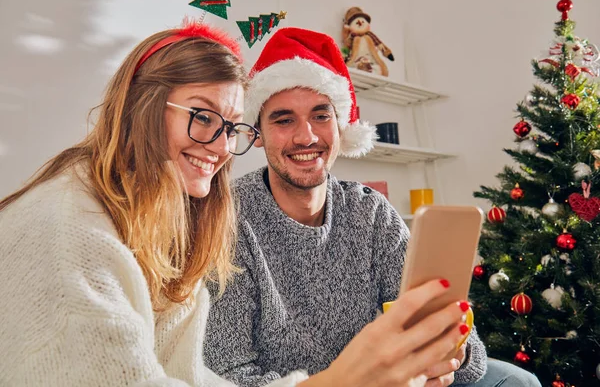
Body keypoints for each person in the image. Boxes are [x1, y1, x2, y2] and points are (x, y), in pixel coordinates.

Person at [0, 19, 472, 387]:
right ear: (138, 107)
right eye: (203, 116)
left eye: (229, 127)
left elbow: (193, 377)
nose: (222, 147)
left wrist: (448, 351)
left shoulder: (169, 224)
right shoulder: (69, 226)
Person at [204, 27, 543, 387]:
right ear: (256, 132)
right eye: (284, 120)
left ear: (340, 125)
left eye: (321, 115)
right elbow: (230, 375)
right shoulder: (228, 217)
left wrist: (451, 353)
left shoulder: (370, 212)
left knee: (518, 382)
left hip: (396, 379)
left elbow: (467, 357)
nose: (307, 137)